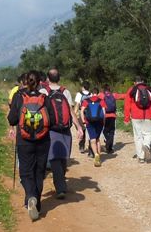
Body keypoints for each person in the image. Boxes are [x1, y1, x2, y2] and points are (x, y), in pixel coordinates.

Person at [7, 70, 50, 221]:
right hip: (43, 140)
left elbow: (12, 119)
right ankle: (36, 203)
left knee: (26, 172)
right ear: (39, 82)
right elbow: (52, 120)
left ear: (25, 81)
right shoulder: (44, 98)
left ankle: (31, 196)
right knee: (39, 171)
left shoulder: (19, 96)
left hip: (24, 140)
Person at [44, 68, 76, 198]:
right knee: (63, 158)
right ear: (59, 78)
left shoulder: (44, 92)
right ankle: (61, 183)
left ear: (48, 78)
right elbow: (71, 111)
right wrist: (79, 127)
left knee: (54, 158)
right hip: (65, 130)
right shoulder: (65, 92)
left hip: (51, 129)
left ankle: (60, 187)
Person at [124, 77, 151, 162]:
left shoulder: (131, 90)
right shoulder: (149, 89)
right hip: (147, 115)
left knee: (138, 137)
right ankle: (146, 145)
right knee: (148, 134)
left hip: (135, 116)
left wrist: (127, 118)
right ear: (143, 81)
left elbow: (127, 104)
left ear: (134, 82)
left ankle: (141, 157)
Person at [79, 83, 105, 167]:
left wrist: (83, 121)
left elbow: (82, 111)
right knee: (97, 139)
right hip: (99, 122)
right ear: (98, 93)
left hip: (89, 122)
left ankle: (96, 154)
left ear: (92, 93)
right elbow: (104, 112)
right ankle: (99, 156)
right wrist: (104, 122)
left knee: (92, 140)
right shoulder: (101, 100)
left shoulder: (86, 101)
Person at [74, 81, 92, 154]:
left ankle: (82, 146)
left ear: (83, 87)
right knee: (90, 130)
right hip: (90, 114)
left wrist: (74, 114)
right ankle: (91, 147)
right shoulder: (91, 94)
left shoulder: (79, 94)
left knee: (82, 130)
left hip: (81, 113)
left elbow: (77, 104)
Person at [101, 84, 118, 154]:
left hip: (106, 116)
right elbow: (124, 96)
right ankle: (110, 148)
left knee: (105, 131)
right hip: (113, 116)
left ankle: (108, 143)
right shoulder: (114, 95)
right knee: (112, 132)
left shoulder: (102, 95)